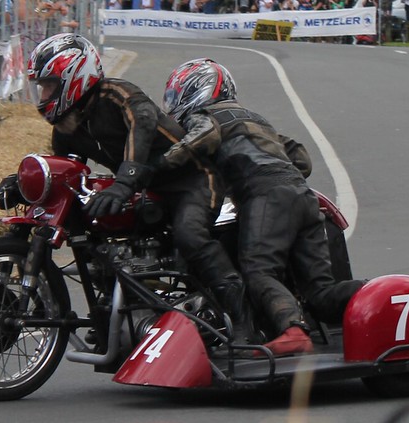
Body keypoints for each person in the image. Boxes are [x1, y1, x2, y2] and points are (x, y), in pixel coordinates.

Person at [26, 34, 246, 330]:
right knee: (97, 236)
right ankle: (124, 311)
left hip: (192, 180)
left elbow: (141, 124)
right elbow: (68, 172)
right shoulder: (68, 126)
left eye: (49, 85)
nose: (43, 96)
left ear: (73, 76)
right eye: (41, 87)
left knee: (190, 235)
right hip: (147, 189)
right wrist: (25, 184)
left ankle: (241, 320)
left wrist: (124, 182)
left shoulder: (118, 94)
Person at [159, 58, 364, 357]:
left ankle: (292, 330)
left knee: (257, 271)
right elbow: (301, 158)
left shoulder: (203, 117)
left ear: (195, 91)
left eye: (175, 96)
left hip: (266, 196)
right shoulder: (255, 118)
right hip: (303, 196)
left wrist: (150, 168)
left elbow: (193, 144)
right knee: (319, 293)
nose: (173, 104)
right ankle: (384, 294)